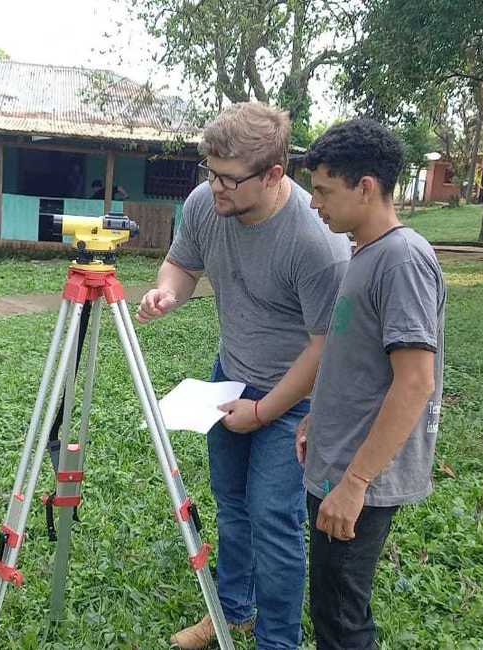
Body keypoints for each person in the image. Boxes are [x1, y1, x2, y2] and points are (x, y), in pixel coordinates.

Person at [136, 102, 351, 650]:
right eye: (209, 173)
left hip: (294, 397)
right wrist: (168, 292)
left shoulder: (316, 243)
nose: (214, 188)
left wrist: (263, 412)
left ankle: (276, 641)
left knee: (274, 523)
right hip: (229, 376)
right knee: (231, 505)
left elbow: (324, 350)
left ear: (274, 174)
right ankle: (230, 611)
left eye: (228, 179)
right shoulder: (207, 204)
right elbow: (182, 264)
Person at [298, 118, 447, 650]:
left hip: (358, 478)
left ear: (365, 187)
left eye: (323, 191)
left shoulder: (403, 260)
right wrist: (317, 416)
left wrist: (356, 482)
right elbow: (354, 358)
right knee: (331, 607)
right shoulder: (363, 253)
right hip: (335, 458)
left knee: (342, 620)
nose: (314, 203)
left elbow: (414, 383)